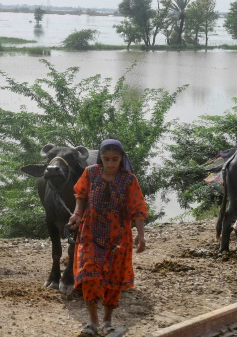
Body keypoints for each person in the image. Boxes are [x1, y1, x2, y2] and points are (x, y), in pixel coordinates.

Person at [67, 139, 147, 337]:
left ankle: (108, 322)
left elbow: (137, 209)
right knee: (89, 273)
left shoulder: (129, 180)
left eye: (115, 159)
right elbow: (81, 194)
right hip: (91, 231)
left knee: (114, 278)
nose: (110, 164)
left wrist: (141, 235)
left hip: (119, 236)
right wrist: (77, 214)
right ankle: (92, 323)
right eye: (106, 159)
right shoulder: (91, 173)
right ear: (101, 158)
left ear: (121, 158)